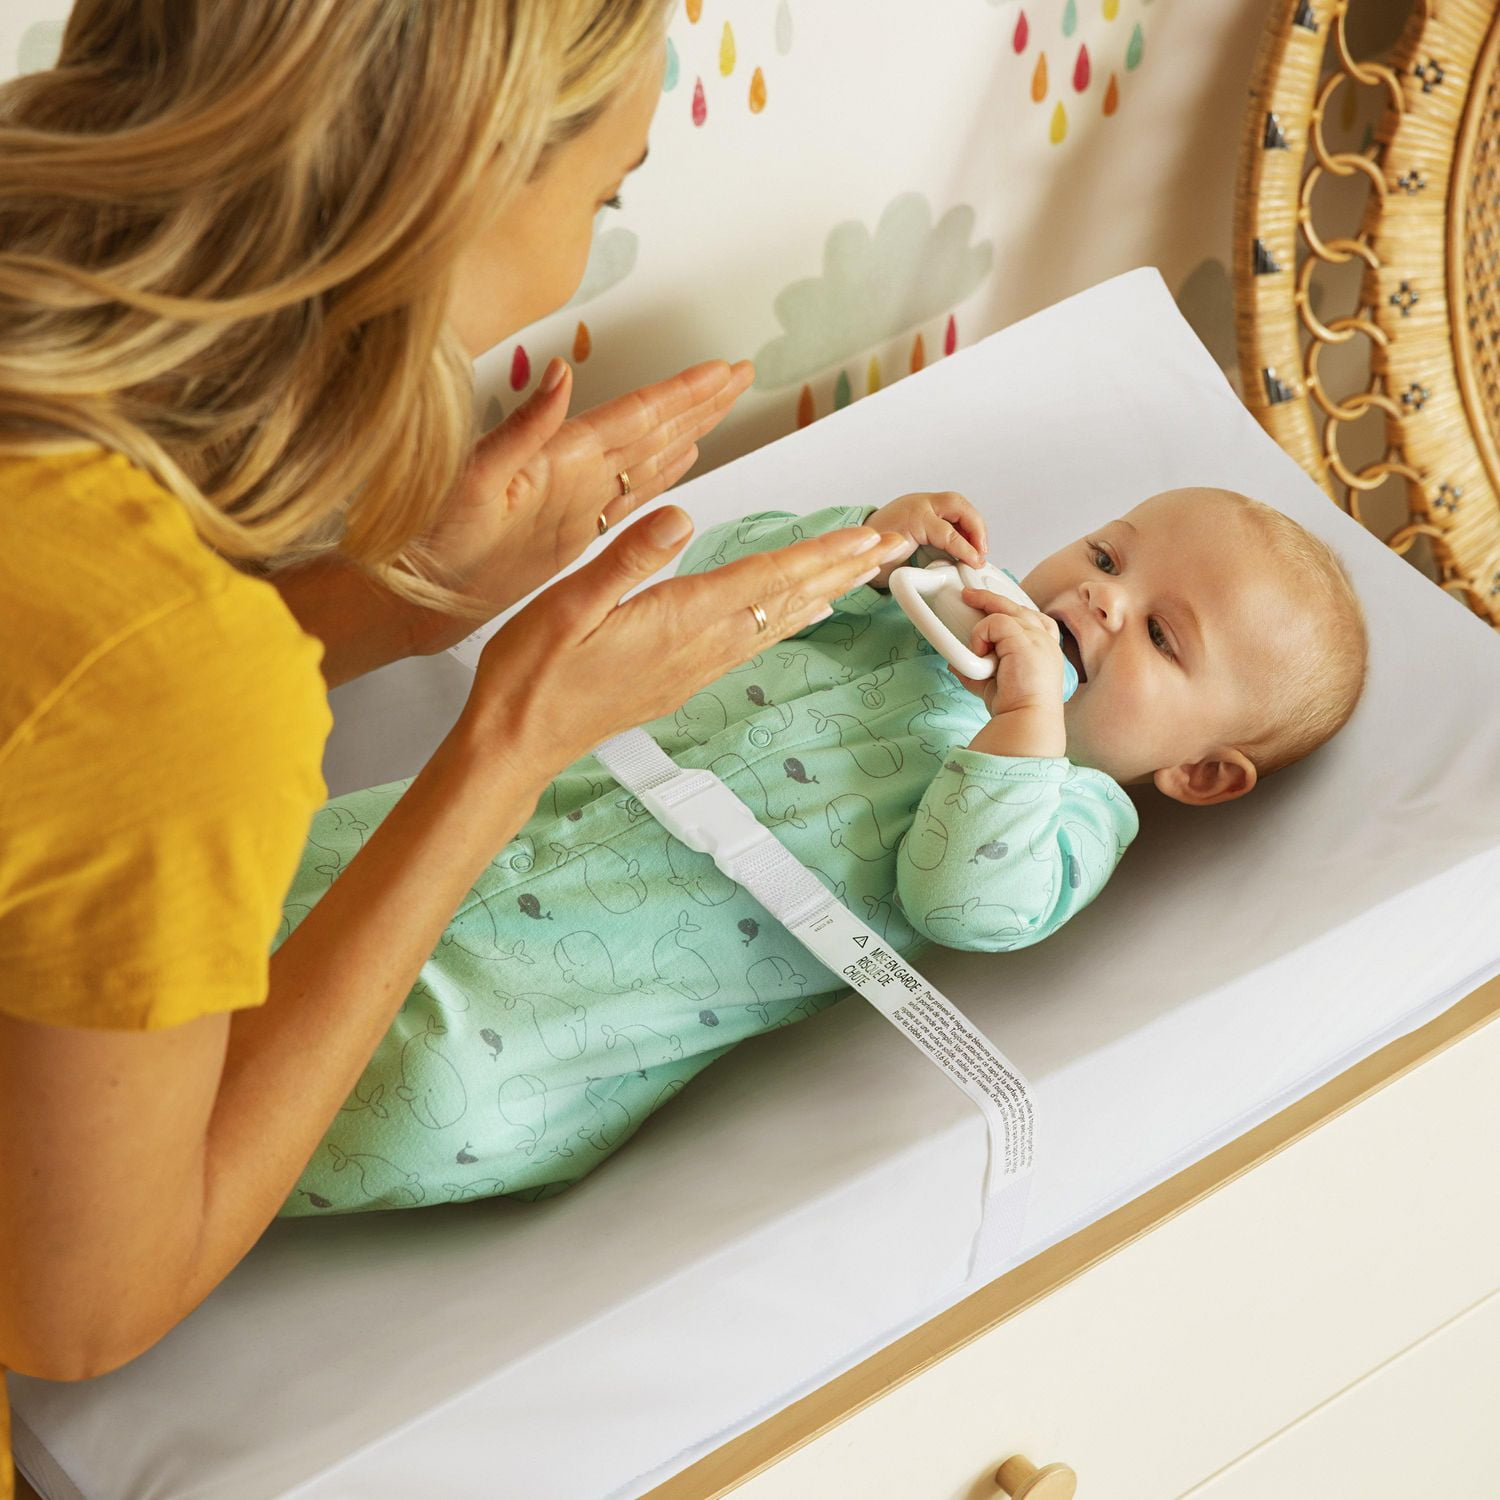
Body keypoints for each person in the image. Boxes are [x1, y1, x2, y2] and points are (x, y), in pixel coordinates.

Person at [0, 0, 911, 1466]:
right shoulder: (173, 678)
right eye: (604, 194)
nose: (585, 255)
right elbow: (80, 1312)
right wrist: (512, 740)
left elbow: (47, 732)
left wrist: (382, 610)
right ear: (462, 187)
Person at [271, 483, 1369, 1214]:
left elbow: (964, 902)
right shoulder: (911, 614)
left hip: (527, 1029)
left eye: (1165, 636)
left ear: (1202, 774)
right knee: (271, 877)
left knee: (364, 1090)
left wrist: (1027, 717)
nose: (1101, 599)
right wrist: (870, 547)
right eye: (1107, 553)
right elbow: (728, 588)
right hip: (482, 825)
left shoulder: (1066, 810)